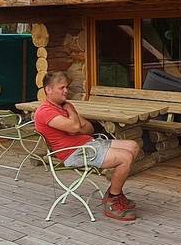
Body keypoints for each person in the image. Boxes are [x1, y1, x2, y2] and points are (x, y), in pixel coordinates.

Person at [33, 72, 142, 222]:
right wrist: (71, 113)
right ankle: (113, 200)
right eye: (62, 87)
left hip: (87, 143)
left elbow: (89, 128)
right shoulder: (46, 111)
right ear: (48, 90)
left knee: (133, 146)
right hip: (73, 153)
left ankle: (113, 192)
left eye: (67, 87)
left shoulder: (62, 107)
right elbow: (75, 126)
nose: (66, 91)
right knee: (125, 158)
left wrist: (75, 124)